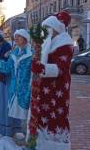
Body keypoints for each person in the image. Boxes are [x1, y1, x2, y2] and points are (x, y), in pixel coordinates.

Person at [30, 11, 74, 149]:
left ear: (55, 29)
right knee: (44, 114)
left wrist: (41, 68)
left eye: (48, 28)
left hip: (57, 88)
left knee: (56, 115)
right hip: (45, 88)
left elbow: (61, 68)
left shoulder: (65, 45)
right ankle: (41, 144)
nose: (45, 31)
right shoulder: (48, 42)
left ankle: (55, 146)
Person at [0, 29, 33, 137]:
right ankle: (21, 134)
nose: (16, 38)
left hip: (27, 87)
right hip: (13, 89)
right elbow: (7, 68)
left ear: (25, 38)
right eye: (15, 36)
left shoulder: (32, 53)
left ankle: (29, 137)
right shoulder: (14, 53)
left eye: (19, 36)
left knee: (28, 113)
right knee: (16, 111)